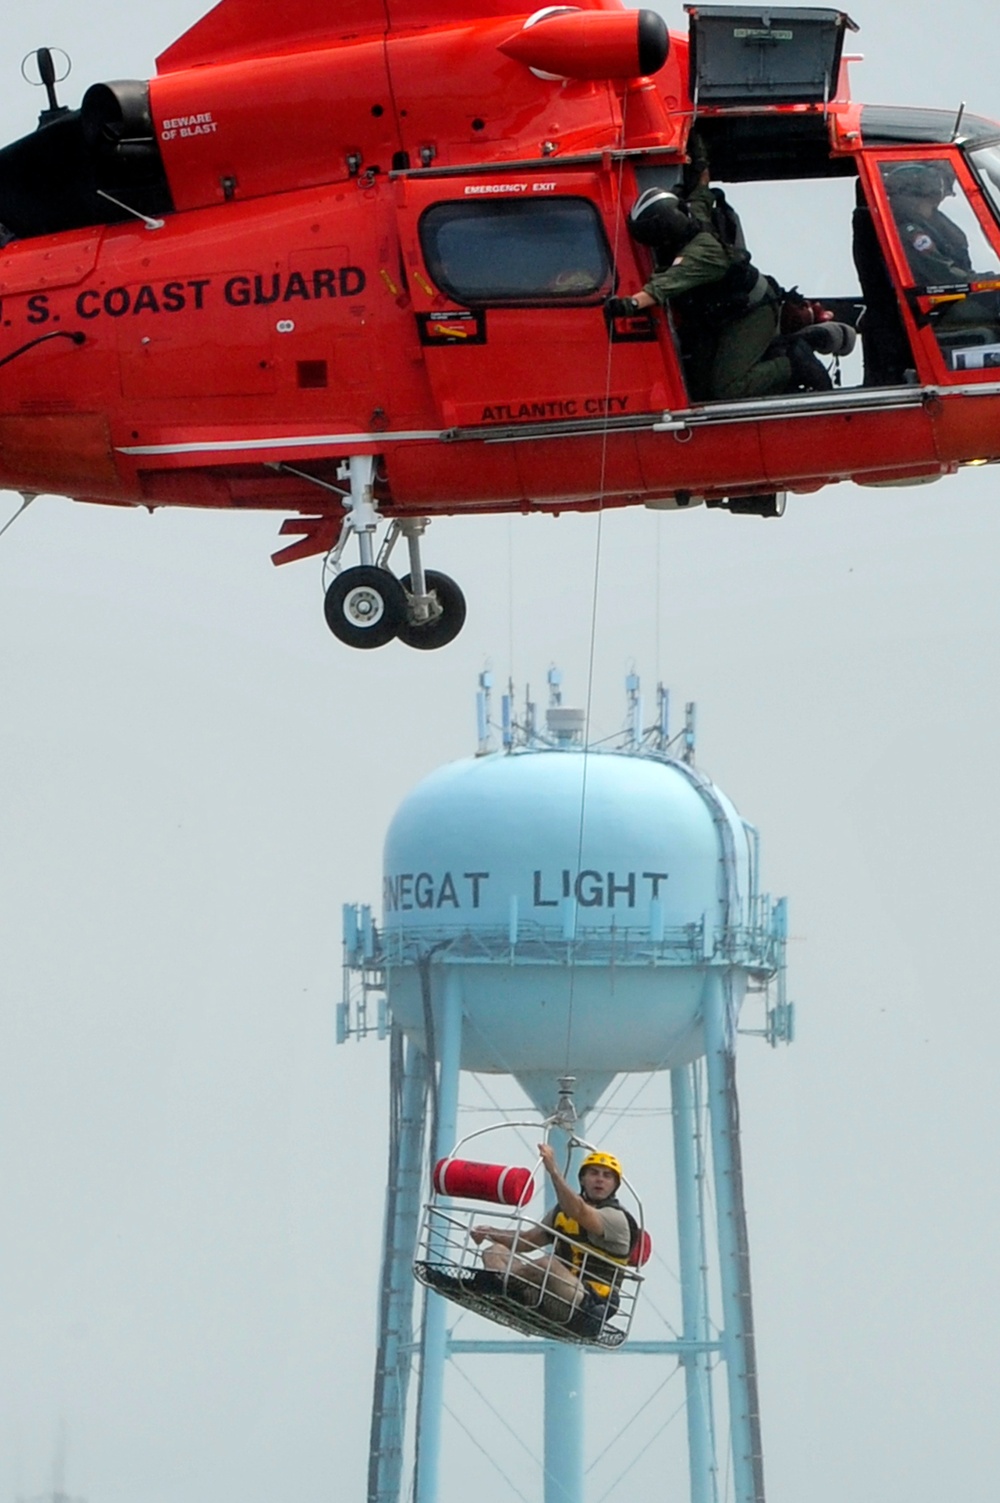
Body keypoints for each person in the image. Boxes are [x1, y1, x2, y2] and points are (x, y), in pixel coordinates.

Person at [605, 184, 832, 400]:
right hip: (731, 312)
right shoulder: (694, 217)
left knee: (728, 388)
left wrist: (629, 304)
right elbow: (702, 192)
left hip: (753, 313)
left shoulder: (701, 254)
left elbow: (664, 285)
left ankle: (790, 363)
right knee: (699, 387)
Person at [471, 1145, 633, 1333]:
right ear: (582, 1179)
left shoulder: (615, 1218)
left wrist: (553, 1171)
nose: (600, 1179)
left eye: (607, 1176)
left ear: (615, 1184)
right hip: (549, 1292)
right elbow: (527, 1240)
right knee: (494, 1251)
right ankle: (505, 1287)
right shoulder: (561, 1213)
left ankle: (498, 1284)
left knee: (547, 1265)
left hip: (587, 1304)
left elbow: (579, 1211)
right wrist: (490, 1232)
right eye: (594, 1173)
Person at [883, 162, 973, 286]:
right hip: (941, 300)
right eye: (930, 202)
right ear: (913, 200)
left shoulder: (930, 224)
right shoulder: (911, 233)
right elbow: (945, 275)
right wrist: (980, 281)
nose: (933, 207)